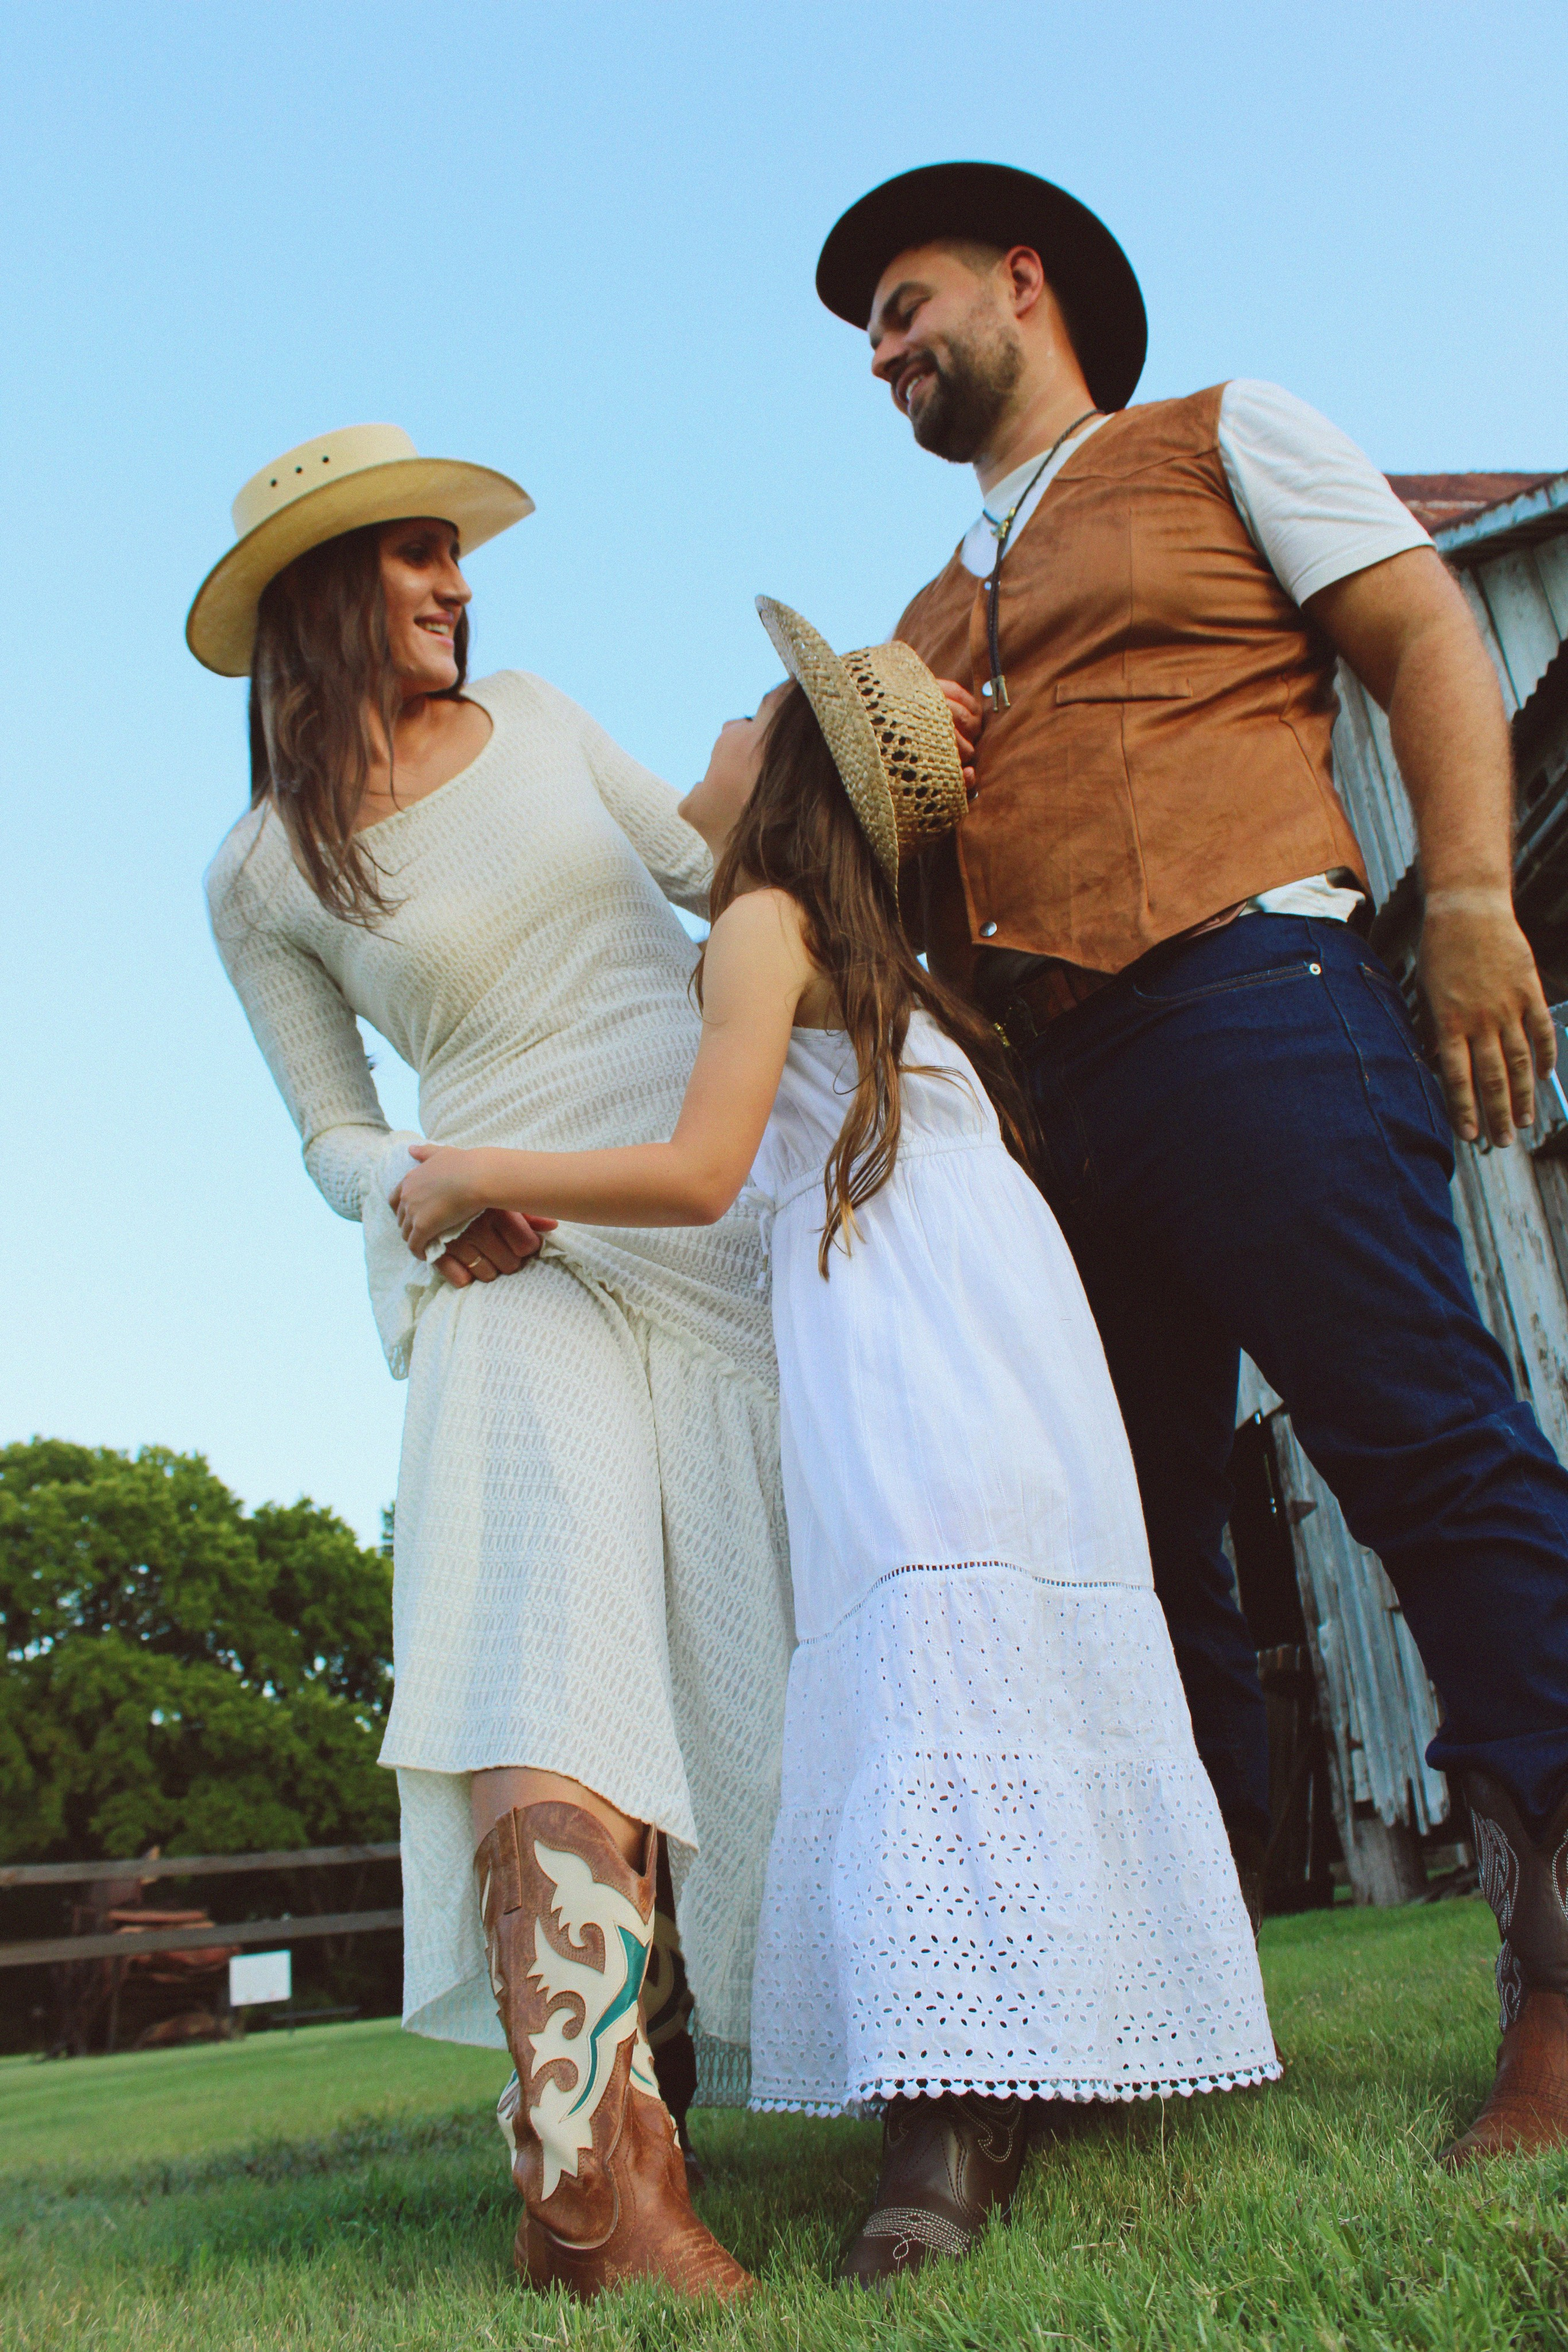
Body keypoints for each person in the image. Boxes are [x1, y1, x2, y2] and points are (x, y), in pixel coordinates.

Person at [810, 160, 1568, 2163]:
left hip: (1252, 996)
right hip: (1040, 1101)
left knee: (1423, 1447)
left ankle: (1565, 1980)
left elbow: (1425, 642)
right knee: (1128, 1544)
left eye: (903, 302)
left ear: (1025, 281)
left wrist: (1471, 891)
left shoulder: (1227, 431)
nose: (882, 350)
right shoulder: (907, 624)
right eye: (869, 332)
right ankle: (1161, 1998)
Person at [391, 599, 1281, 2287]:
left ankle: (948, 2117)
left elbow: (706, 1172)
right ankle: (1035, 2050)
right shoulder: (900, 968)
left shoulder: (759, 924)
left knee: (919, 1670)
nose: (711, 745)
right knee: (1010, 1660)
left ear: (786, 767)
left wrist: (478, 1170)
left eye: (744, 721)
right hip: (1022, 1354)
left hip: (902, 1346)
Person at [192, 423, 794, 2301]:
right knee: (540, 1598)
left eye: (460, 554)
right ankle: (591, 2181)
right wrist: (428, 1191)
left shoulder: (536, 713)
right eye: (417, 556)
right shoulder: (260, 873)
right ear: (323, 595)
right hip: (495, 1237)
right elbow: (326, 1129)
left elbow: (710, 876)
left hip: (692, 1197)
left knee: (746, 1623)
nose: (459, 584)